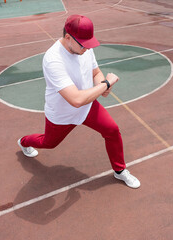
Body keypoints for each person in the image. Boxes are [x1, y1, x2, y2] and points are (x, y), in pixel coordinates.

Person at [17, 15, 140, 189]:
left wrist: (101, 85)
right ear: (68, 37)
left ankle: (119, 171)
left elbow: (95, 72)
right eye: (83, 44)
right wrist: (106, 83)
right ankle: (24, 141)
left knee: (112, 130)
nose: (87, 48)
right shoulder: (53, 59)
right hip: (62, 113)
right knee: (49, 143)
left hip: (87, 106)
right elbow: (75, 100)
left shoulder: (84, 46)